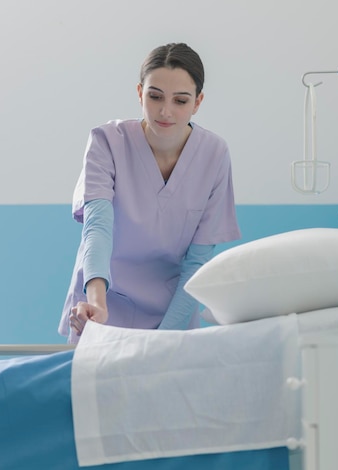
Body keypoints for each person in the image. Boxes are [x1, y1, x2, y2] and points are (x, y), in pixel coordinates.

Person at [58, 43, 241, 343]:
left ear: (198, 102)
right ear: (140, 92)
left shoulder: (214, 155)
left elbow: (197, 262)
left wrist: (163, 340)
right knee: (95, 388)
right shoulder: (107, 142)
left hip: (174, 311)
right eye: (155, 97)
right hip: (103, 303)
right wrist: (96, 303)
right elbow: (97, 229)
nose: (165, 111)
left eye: (180, 101)